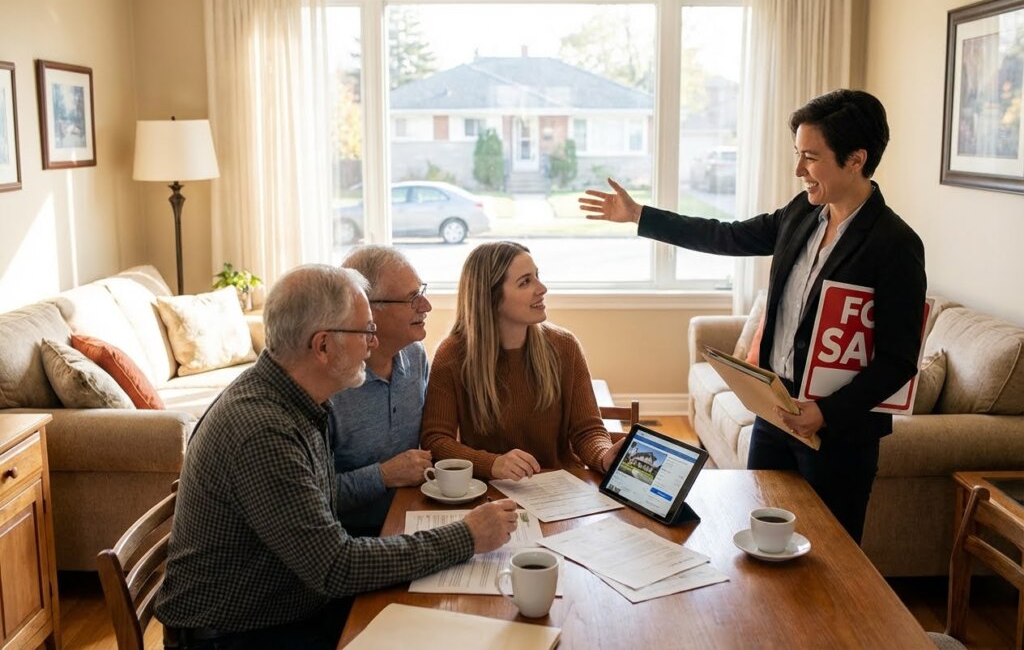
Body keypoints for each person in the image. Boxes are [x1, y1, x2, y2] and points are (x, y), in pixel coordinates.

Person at [579, 89, 926, 543]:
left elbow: (899, 361)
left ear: (856, 159)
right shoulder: (803, 213)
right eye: (798, 155)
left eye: (811, 157)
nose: (798, 170)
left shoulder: (895, 244)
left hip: (838, 435)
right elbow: (725, 236)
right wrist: (640, 216)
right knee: (761, 537)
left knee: (831, 558)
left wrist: (825, 413)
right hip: (775, 413)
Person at [155, 264, 518, 650]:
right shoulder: (263, 430)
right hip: (240, 633)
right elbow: (336, 568)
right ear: (323, 345)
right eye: (365, 331)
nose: (373, 344)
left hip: (289, 603)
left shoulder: (297, 401)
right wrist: (467, 535)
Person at [421, 241, 624, 480]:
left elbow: (587, 430)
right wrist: (492, 464)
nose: (542, 288)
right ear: (492, 296)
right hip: (492, 493)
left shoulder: (564, 346)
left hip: (561, 488)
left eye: (537, 276)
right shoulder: (453, 355)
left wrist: (603, 455)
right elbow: (435, 440)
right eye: (525, 282)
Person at [329, 246, 433, 537]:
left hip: (418, 518)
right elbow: (311, 496)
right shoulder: (329, 386)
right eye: (412, 298)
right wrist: (384, 475)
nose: (425, 306)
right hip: (355, 540)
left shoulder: (416, 355)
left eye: (421, 291)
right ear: (367, 308)